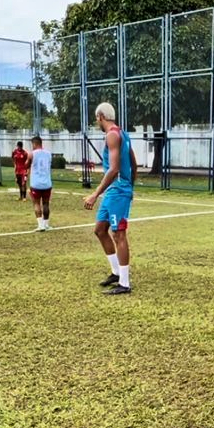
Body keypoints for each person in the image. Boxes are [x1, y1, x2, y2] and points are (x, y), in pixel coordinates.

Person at [83, 103, 137, 295]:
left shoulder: (112, 135)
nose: (96, 121)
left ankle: (125, 283)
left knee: (119, 235)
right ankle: (115, 272)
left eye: (96, 118)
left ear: (100, 117)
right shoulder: (123, 133)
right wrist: (131, 185)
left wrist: (95, 194)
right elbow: (133, 162)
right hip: (116, 190)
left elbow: (114, 169)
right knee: (99, 230)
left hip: (117, 190)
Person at [28, 136, 54, 231]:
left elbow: (26, 164)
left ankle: (40, 225)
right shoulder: (49, 153)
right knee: (46, 204)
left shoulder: (32, 154)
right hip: (47, 183)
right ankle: (46, 224)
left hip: (36, 183)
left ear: (34, 144)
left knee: (36, 203)